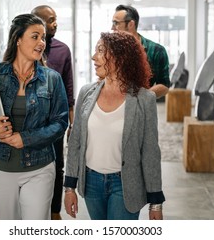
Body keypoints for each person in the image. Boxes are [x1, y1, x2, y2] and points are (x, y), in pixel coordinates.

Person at [0, 14, 69, 220]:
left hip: (39, 167)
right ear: (18, 39)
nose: (41, 43)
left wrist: (26, 138)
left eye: (44, 38)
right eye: (35, 36)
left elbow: (60, 123)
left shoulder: (52, 79)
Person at [63, 31, 165, 220]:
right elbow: (75, 141)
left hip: (125, 184)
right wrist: (69, 186)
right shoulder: (86, 93)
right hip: (91, 182)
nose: (94, 57)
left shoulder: (144, 99)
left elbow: (150, 151)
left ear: (121, 57)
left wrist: (155, 202)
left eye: (101, 51)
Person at [31, 5, 75, 220]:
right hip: (29, 121)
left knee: (57, 165)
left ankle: (54, 211)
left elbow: (69, 89)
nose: (54, 23)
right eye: (50, 20)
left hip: (55, 120)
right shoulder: (26, 48)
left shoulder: (63, 50)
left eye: (55, 19)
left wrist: (71, 124)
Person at [111, 4, 170, 98]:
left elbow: (164, 85)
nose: (112, 28)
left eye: (116, 23)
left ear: (131, 24)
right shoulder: (111, 50)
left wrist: (140, 99)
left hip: (142, 109)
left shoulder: (156, 51)